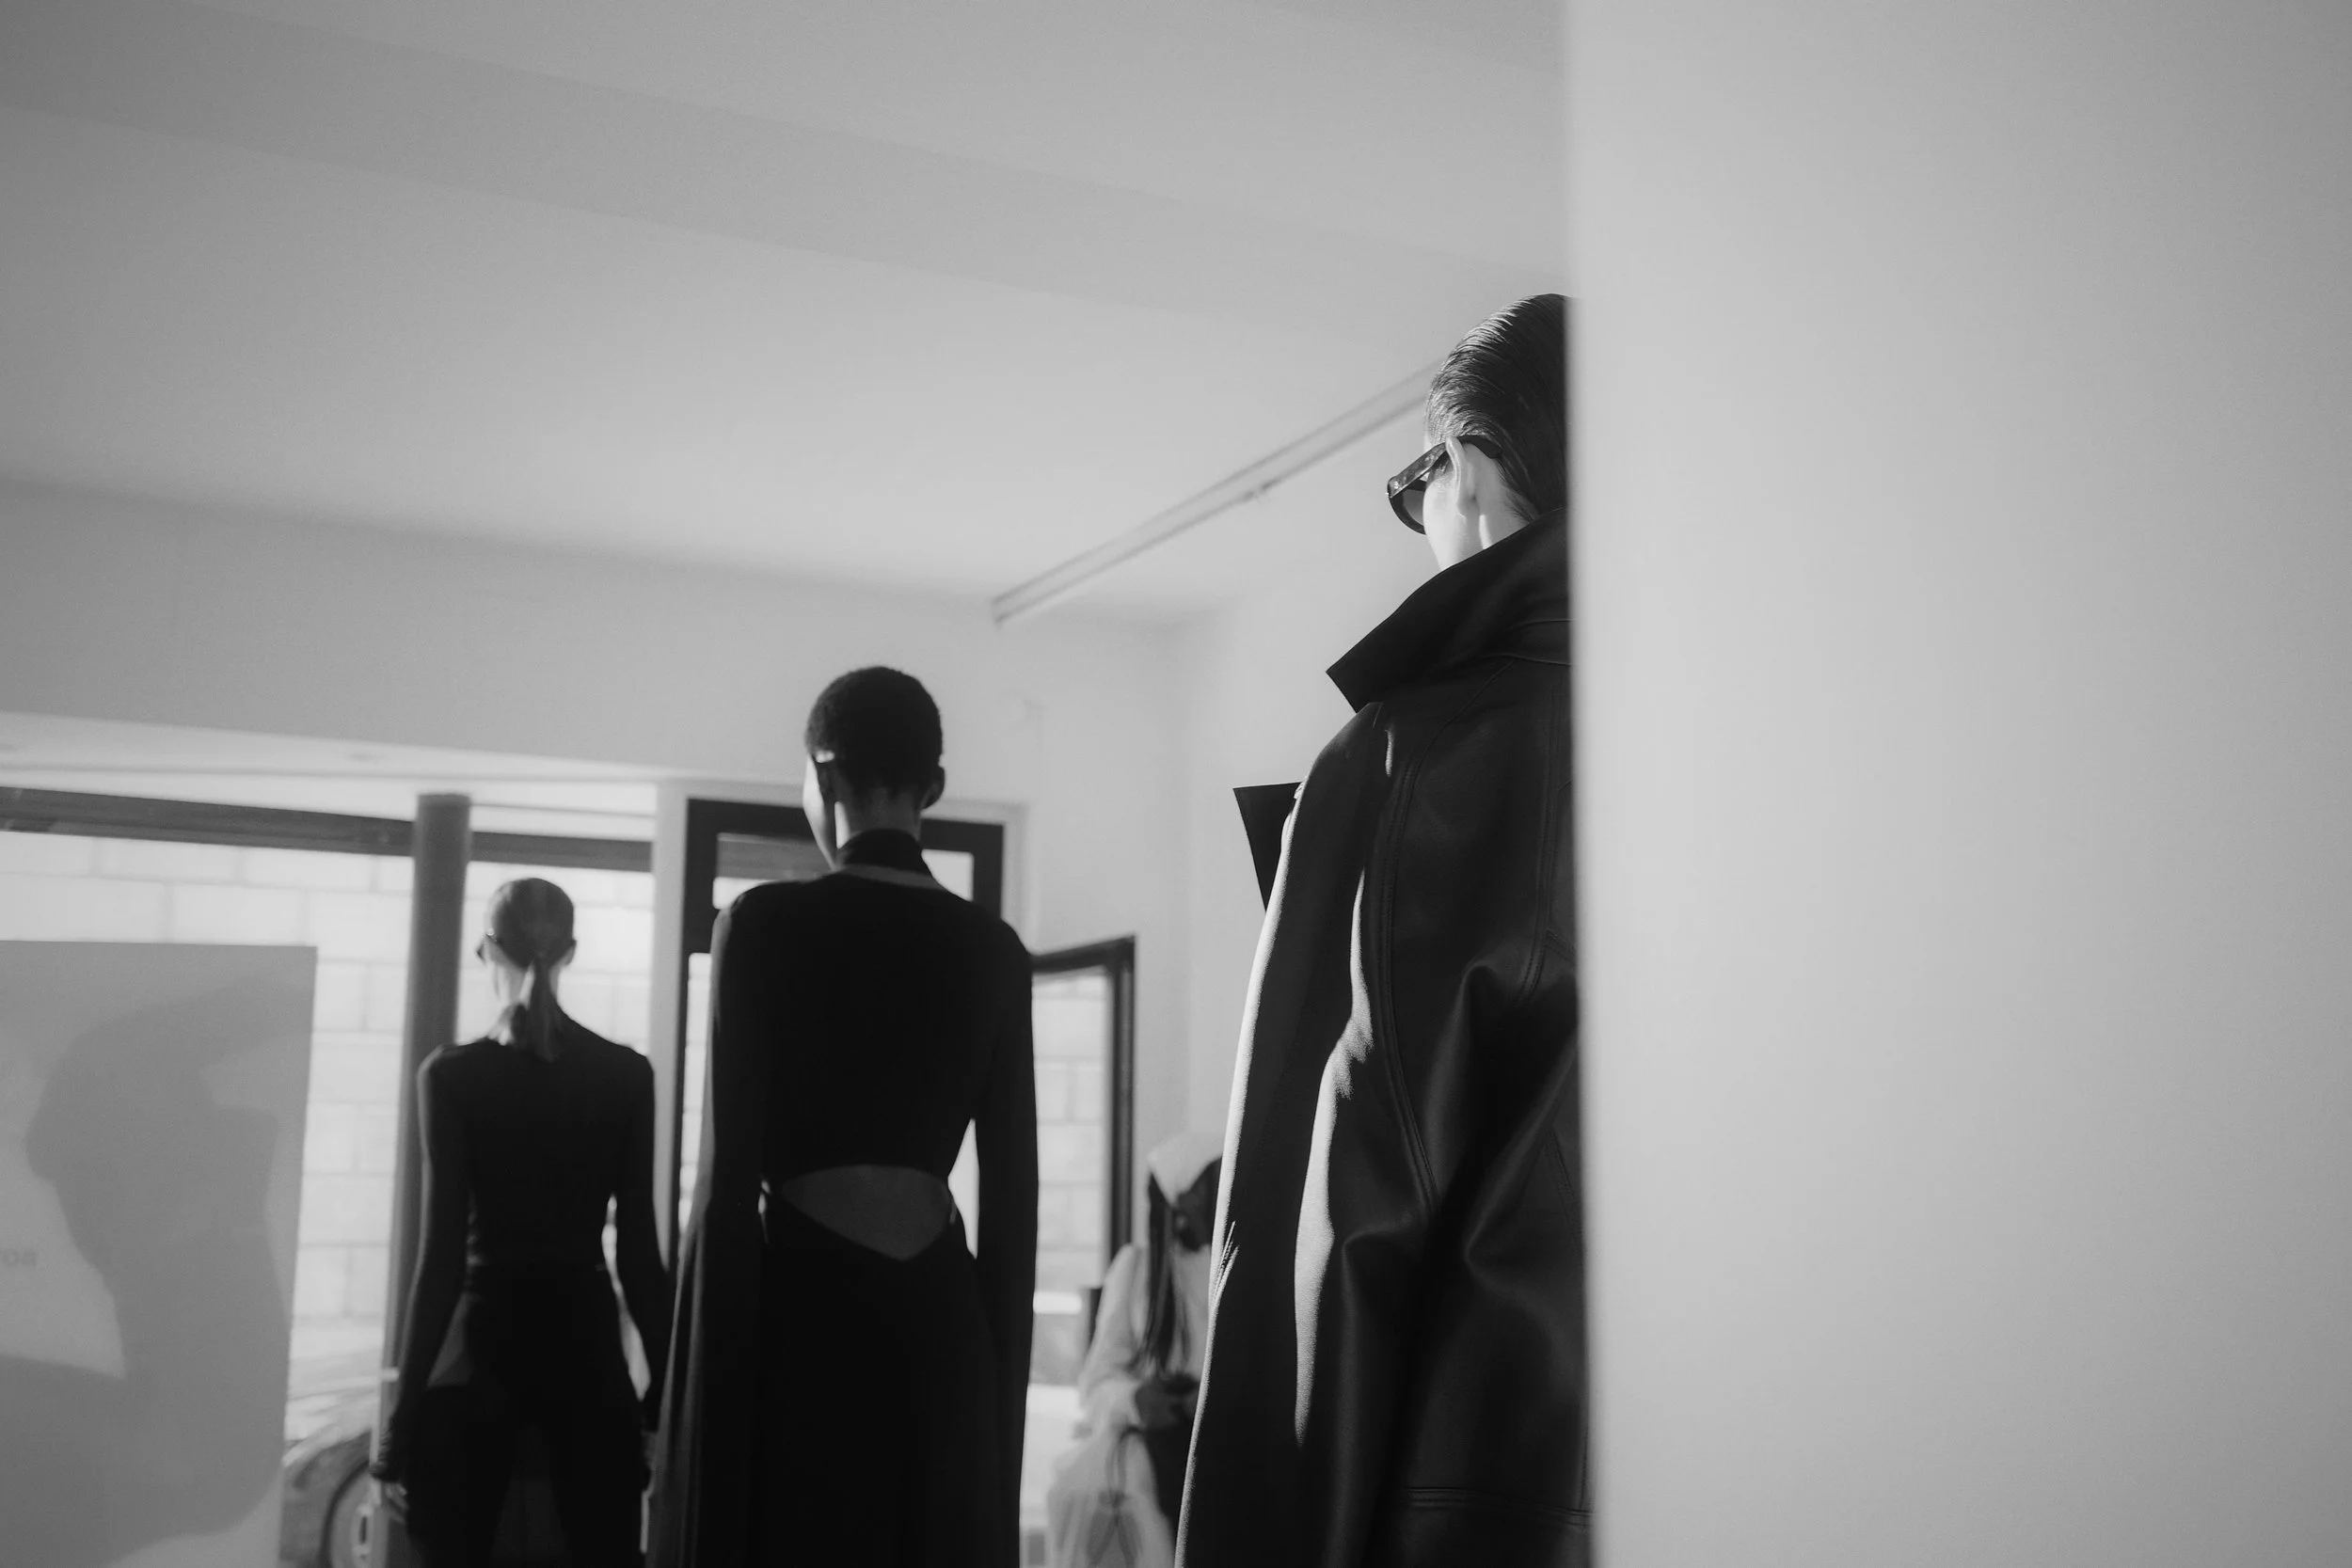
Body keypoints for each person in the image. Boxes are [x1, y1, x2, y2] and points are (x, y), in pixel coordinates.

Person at [1177, 294, 1586, 1567]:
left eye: (1421, 488)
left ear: (1466, 467)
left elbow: (1318, 1235)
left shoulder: (1400, 759)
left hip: (1456, 1504)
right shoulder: (1759, 739)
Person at [652, 666, 1039, 1568]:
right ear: (933, 786)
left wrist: (700, 1428)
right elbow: (1014, 1210)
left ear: (823, 777)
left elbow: (723, 1186)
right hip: (942, 1329)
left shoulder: (760, 924)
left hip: (803, 1320)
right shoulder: (994, 949)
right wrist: (995, 1431)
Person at [373, 877, 674, 1568]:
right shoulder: (627, 1075)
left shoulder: (451, 1076)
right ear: (571, 952)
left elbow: (441, 1257)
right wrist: (662, 1395)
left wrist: (401, 1420)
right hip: (585, 1347)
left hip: (484, 1346)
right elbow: (639, 1254)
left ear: (487, 950)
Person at [1044, 1132, 1222, 1568]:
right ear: (1183, 1197)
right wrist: (1138, 1400)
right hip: (1154, 1441)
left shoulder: (1246, 1265)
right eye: (1213, 1181)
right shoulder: (1139, 1270)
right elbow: (1097, 1383)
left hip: (1226, 1437)